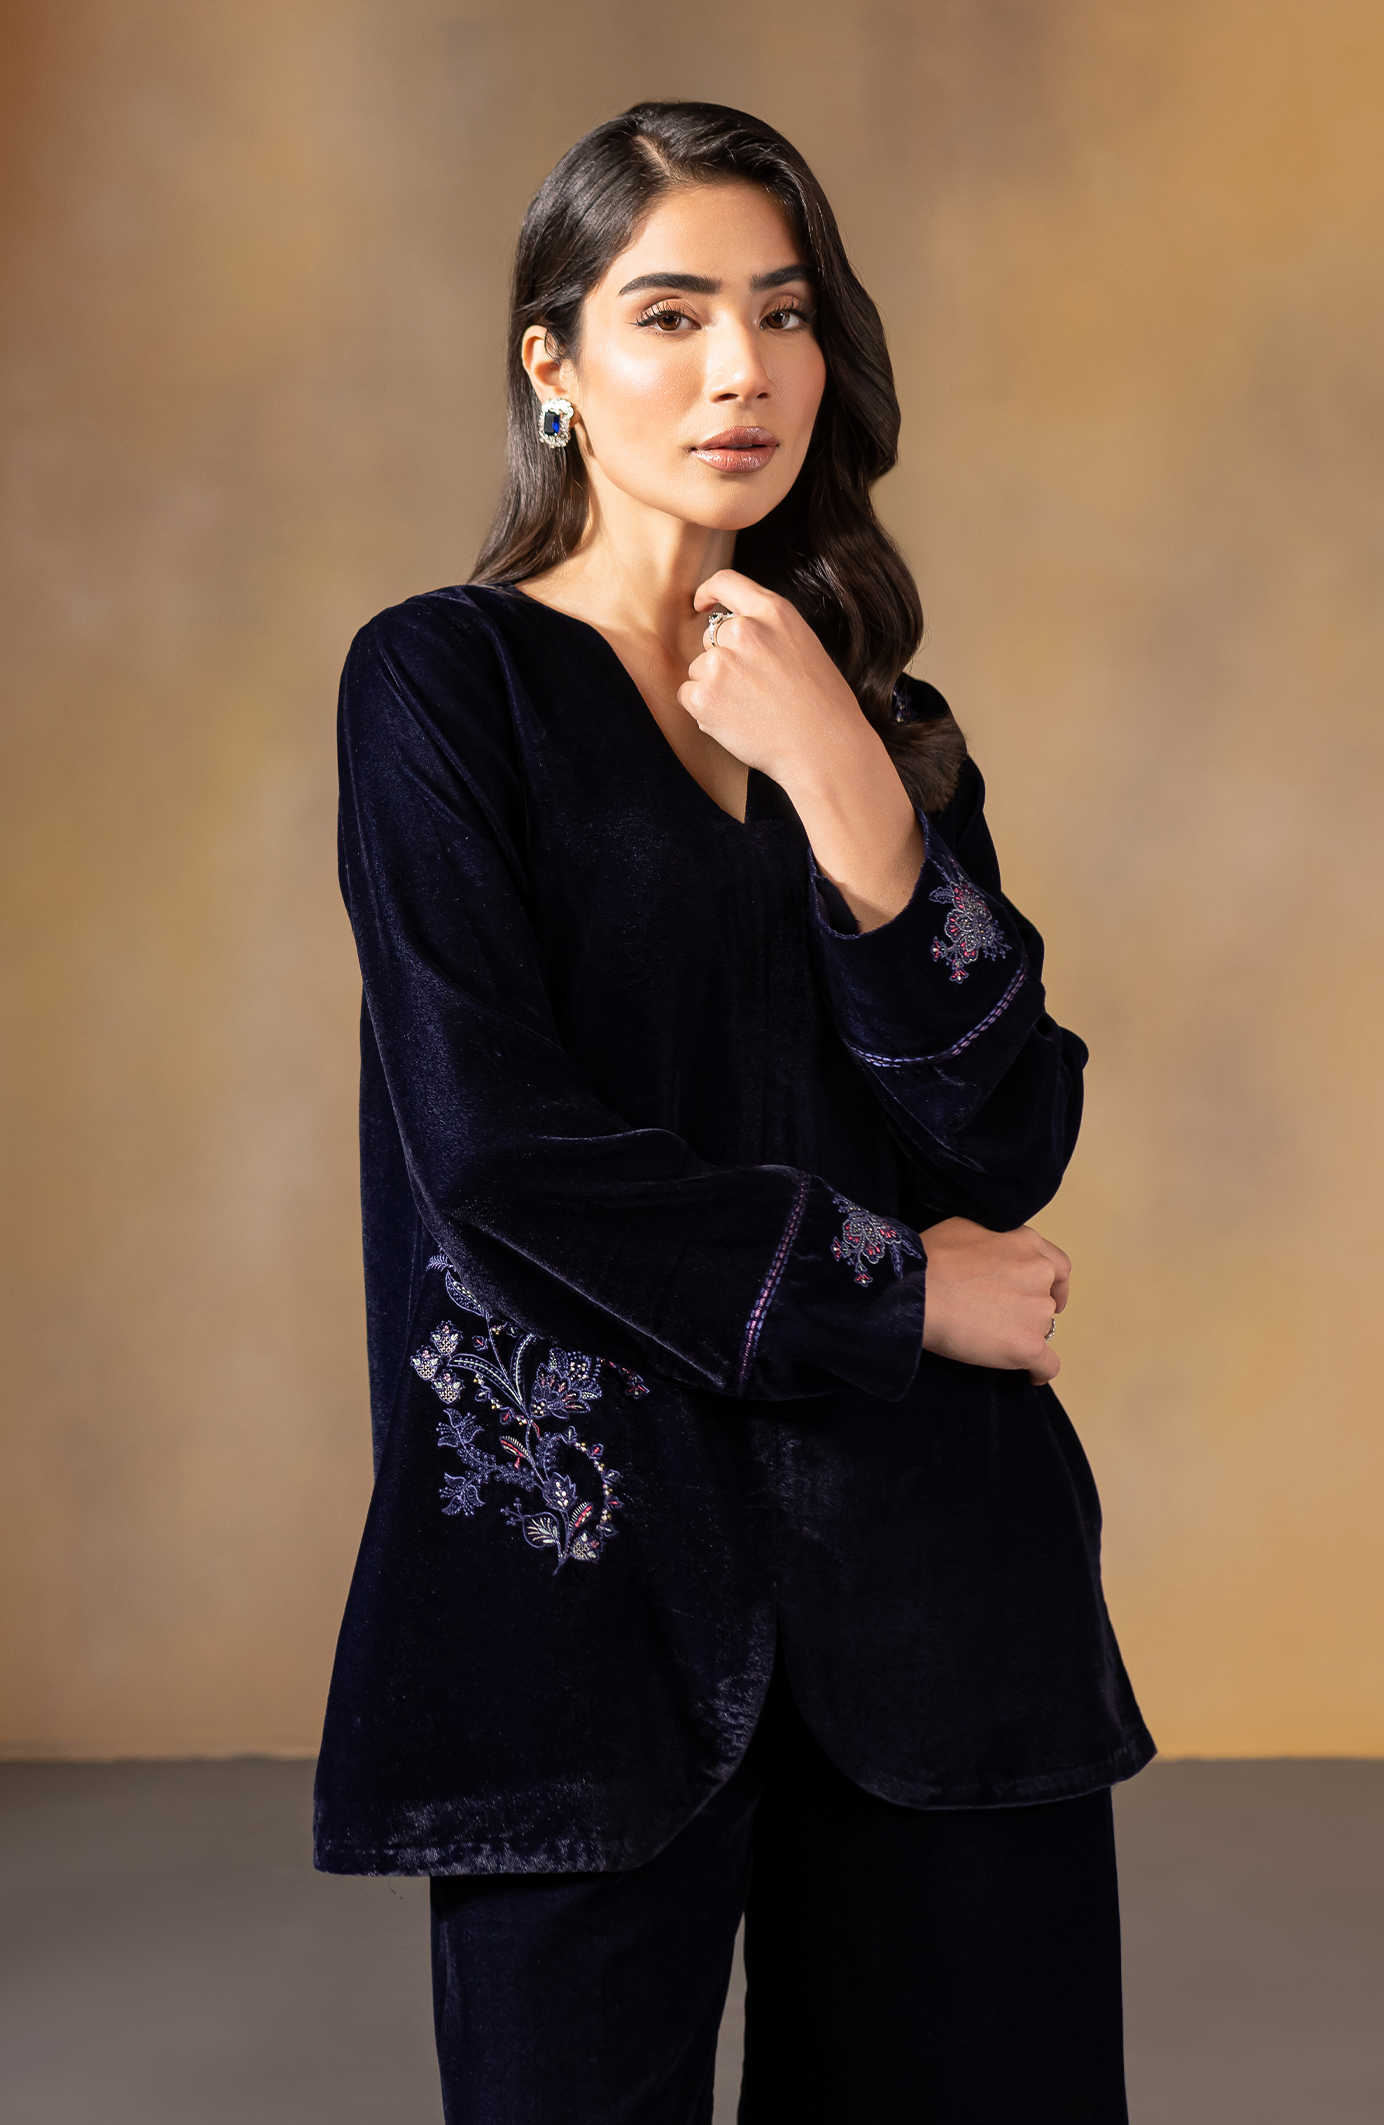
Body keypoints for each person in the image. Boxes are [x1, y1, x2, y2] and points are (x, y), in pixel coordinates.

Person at [313, 100, 1154, 2124]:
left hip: (938, 1596)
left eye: (781, 316)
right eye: (670, 314)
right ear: (553, 365)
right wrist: (900, 1296)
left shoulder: (882, 724)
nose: (738, 372)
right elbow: (500, 1158)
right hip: (580, 1598)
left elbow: (1003, 1139)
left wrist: (855, 801)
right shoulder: (443, 687)